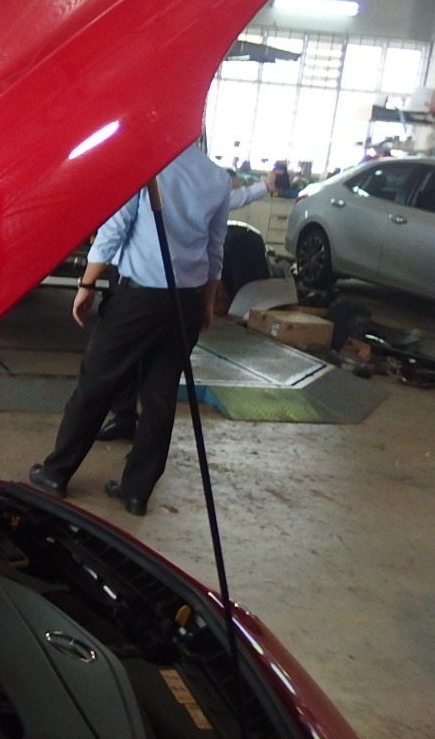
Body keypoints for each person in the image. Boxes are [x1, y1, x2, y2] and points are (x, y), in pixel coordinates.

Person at [29, 143, 231, 516]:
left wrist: (87, 283)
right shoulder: (218, 178)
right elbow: (216, 248)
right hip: (186, 303)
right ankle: (136, 491)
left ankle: (56, 472)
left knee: (96, 383)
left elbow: (115, 229)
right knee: (160, 396)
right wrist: (207, 303)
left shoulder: (148, 167)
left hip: (139, 300)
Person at [93, 165, 278, 442]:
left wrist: (87, 282)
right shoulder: (141, 167)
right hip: (131, 272)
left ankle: (136, 442)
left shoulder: (194, 173)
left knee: (149, 368)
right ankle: (126, 418)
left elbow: (223, 212)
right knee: (138, 362)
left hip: (162, 284)